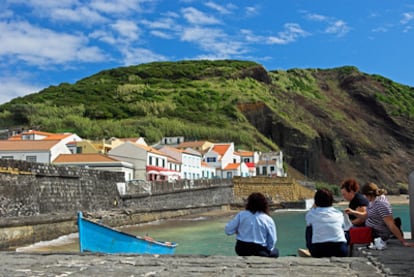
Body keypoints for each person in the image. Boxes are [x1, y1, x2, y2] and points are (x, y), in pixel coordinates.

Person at [345, 182, 414, 247]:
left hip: (377, 233)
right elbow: (367, 215)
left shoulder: (381, 205)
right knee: (347, 231)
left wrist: (403, 241)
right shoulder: (372, 201)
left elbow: (391, 224)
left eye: (365, 195)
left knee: (348, 235)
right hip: (370, 229)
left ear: (369, 194)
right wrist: (353, 212)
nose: (365, 197)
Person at [224, 192, 279, 257]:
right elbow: (272, 239)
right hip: (259, 250)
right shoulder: (267, 219)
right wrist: (269, 249)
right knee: (276, 251)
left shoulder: (241, 215)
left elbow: (228, 230)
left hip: (242, 249)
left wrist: (237, 230)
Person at [305, 188, 348, 257]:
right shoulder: (339, 214)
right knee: (343, 229)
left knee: (309, 228)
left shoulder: (311, 214)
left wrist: (314, 205)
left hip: (318, 251)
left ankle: (309, 249)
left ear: (316, 201)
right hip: (340, 250)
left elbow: (309, 229)